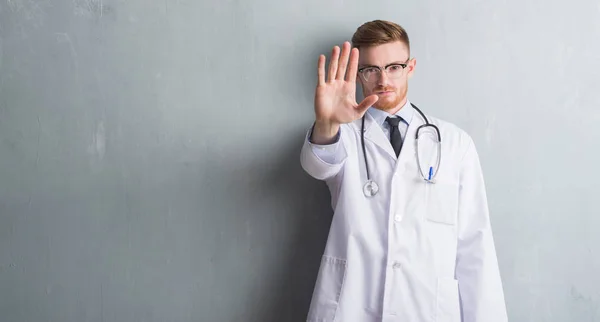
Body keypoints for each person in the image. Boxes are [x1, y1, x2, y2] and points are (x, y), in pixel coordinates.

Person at [300, 20, 507, 322]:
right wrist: (327, 123)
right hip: (353, 305)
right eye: (371, 69)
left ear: (410, 67)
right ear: (359, 75)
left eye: (394, 67)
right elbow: (318, 164)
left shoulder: (453, 143)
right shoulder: (341, 133)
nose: (383, 80)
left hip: (427, 308)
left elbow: (475, 246)